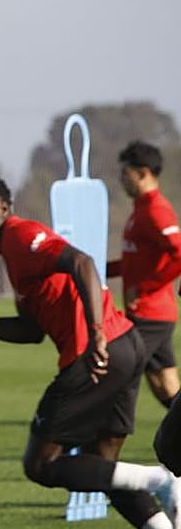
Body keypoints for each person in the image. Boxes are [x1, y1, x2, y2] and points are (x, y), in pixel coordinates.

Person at [0, 174, 181, 529]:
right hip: (123, 346)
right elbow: (31, 331)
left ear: (4, 209)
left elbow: (82, 262)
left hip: (96, 353)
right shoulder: (13, 256)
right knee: (101, 466)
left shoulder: (21, 236)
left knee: (42, 465)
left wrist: (95, 332)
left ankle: (163, 480)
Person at [106, 141, 181, 407]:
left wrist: (146, 288)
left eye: (125, 173)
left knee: (117, 373)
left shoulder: (156, 210)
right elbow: (134, 262)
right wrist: (96, 269)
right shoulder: (140, 209)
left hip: (151, 315)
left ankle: (110, 432)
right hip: (149, 314)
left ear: (142, 173)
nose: (121, 179)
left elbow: (179, 254)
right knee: (165, 388)